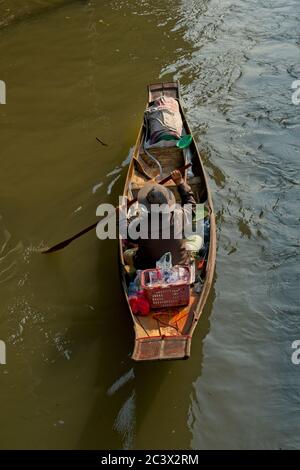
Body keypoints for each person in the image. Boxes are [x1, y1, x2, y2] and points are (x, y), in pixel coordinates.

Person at [123, 170, 200, 270]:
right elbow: (192, 206)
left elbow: (126, 232)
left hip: (149, 268)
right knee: (196, 239)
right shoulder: (178, 215)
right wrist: (180, 182)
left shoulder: (141, 225)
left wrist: (123, 215)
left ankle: (133, 272)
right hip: (181, 265)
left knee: (126, 254)